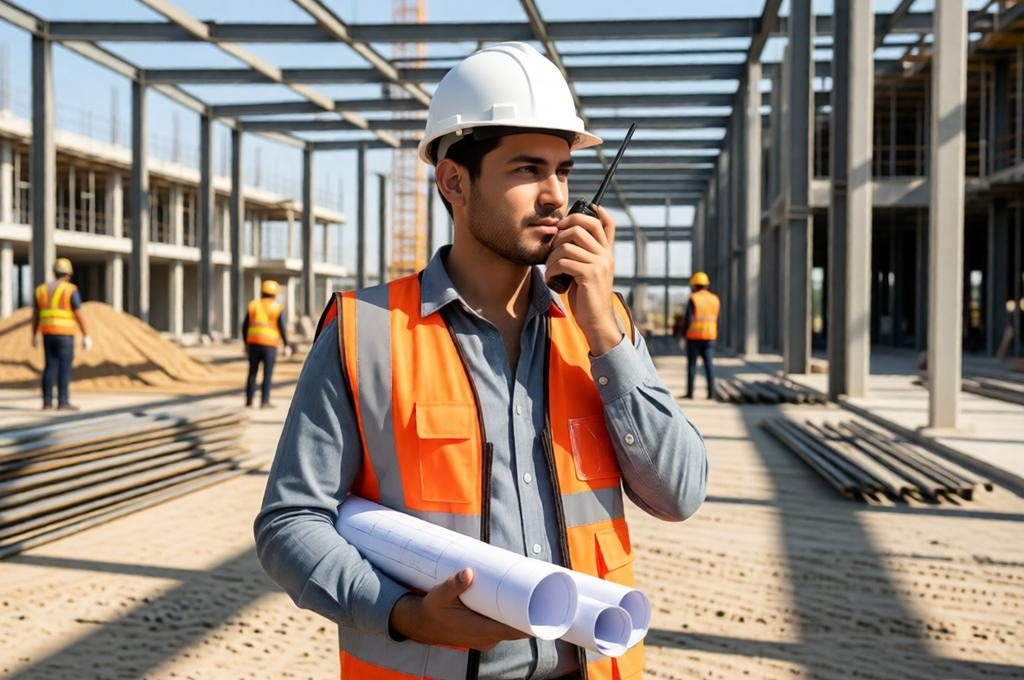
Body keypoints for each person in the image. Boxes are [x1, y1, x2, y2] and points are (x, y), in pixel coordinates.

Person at [255, 42, 708, 680]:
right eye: (527, 169)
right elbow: (291, 521)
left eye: (563, 170)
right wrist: (405, 614)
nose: (555, 196)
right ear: (454, 182)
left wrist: (605, 328)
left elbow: (678, 494)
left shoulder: (601, 330)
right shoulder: (366, 333)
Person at [31, 257, 91, 410]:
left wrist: (34, 334)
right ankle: (63, 402)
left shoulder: (41, 290)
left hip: (47, 333)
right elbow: (79, 314)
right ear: (68, 274)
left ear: (54, 272)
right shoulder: (70, 290)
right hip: (65, 335)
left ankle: (47, 402)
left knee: (49, 366)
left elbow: (35, 315)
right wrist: (86, 335)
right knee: (64, 368)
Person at [242, 279, 290, 408]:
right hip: (270, 346)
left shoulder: (253, 305)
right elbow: (281, 327)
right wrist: (286, 344)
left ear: (262, 292)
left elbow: (245, 325)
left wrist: (245, 343)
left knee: (252, 373)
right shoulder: (277, 307)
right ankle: (265, 401)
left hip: (253, 344)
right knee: (267, 374)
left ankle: (249, 400)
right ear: (275, 294)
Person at [682, 272, 721, 400]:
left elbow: (689, 319)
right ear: (706, 285)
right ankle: (711, 393)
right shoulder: (714, 299)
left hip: (694, 337)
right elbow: (717, 319)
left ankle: (690, 393)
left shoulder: (694, 298)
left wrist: (683, 335)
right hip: (709, 337)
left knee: (692, 365)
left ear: (694, 285)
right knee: (709, 365)